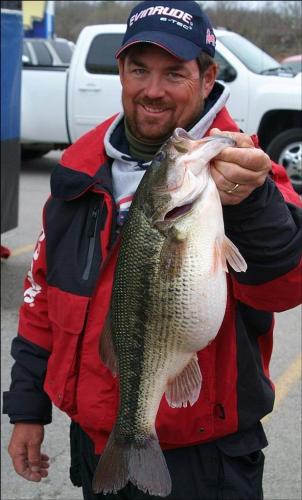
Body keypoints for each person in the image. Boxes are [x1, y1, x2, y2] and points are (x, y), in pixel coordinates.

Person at [3, 1, 302, 499]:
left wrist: (250, 206)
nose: (153, 90)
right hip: (97, 441)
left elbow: (285, 286)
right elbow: (42, 299)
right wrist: (27, 406)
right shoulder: (79, 169)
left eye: (174, 73)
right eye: (140, 69)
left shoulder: (245, 171)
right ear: (121, 71)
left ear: (208, 77)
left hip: (208, 458)